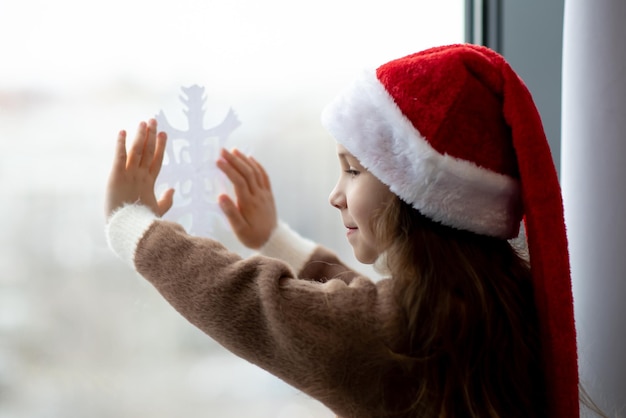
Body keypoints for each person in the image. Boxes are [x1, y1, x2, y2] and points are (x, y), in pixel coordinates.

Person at [105, 44, 581, 417]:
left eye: (353, 171)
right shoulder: (487, 302)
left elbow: (252, 302)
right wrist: (277, 241)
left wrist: (133, 225)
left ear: (418, 195)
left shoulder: (403, 335)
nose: (336, 195)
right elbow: (366, 311)